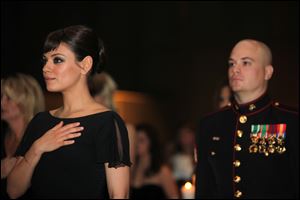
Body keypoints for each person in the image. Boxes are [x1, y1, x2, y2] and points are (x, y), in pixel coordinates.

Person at [7, 25, 131, 199]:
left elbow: (119, 195)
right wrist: (37, 148)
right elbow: (13, 191)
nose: (45, 68)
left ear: (85, 64)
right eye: (45, 60)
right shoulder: (40, 121)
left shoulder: (106, 122)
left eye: (57, 60)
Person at [195, 39, 299, 199]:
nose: (235, 69)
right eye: (231, 64)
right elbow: (204, 189)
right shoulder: (210, 124)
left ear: (267, 72)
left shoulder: (290, 121)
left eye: (246, 63)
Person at [1, 73, 45, 199]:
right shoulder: (3, 133)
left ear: (26, 101)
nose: (2, 102)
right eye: (1, 96)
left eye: (8, 98)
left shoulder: (39, 138)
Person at [89, 71, 136, 166]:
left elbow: (128, 171)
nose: (93, 99)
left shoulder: (124, 128)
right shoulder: (82, 123)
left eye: (94, 94)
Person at [130, 123, 179, 199]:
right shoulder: (131, 169)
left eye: (141, 140)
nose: (136, 144)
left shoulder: (162, 171)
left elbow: (174, 197)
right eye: (135, 140)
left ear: (151, 142)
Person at [169, 124, 196, 192]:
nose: (186, 136)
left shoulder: (201, 156)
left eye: (188, 133)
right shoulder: (174, 159)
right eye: (182, 134)